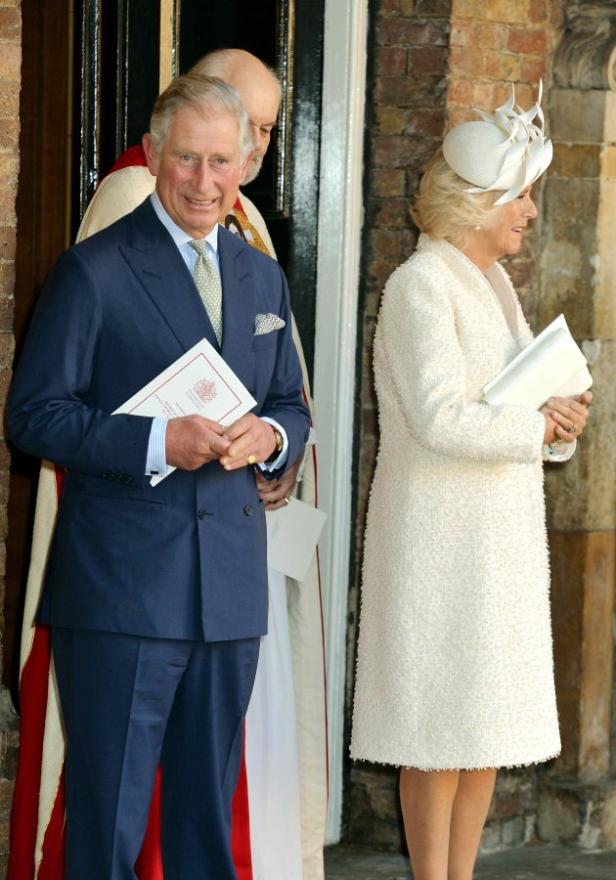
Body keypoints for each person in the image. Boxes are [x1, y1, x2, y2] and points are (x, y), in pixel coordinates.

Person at [9, 51, 327, 880]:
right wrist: (158, 442)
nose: (203, 181)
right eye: (187, 158)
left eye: (221, 161)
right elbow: (34, 417)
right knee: (108, 835)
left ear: (244, 163)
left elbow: (289, 402)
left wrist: (274, 439)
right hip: (121, 592)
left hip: (230, 592)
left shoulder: (262, 276)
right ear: (153, 154)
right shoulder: (93, 271)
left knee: (204, 831)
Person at [350, 84, 593, 880]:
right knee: (434, 736)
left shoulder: (490, 284)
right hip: (439, 543)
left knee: (481, 729)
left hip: (493, 541)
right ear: (474, 201)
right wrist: (534, 427)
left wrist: (556, 424)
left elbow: (511, 404)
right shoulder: (421, 284)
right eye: (518, 196)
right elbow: (438, 416)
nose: (529, 211)